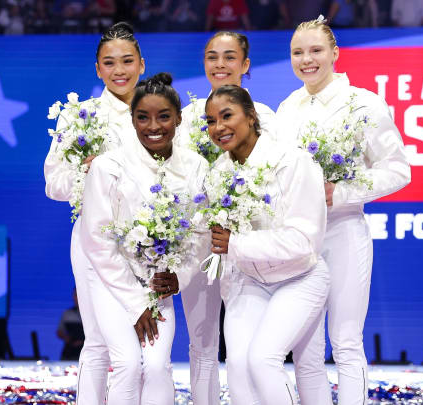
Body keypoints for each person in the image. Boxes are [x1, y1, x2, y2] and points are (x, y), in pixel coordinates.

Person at [276, 18, 411, 405]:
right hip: (300, 239)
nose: (307, 60)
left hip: (344, 230)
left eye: (316, 50)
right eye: (298, 52)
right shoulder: (288, 108)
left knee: (346, 340)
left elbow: (398, 169)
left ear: (335, 53)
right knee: (305, 346)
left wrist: (342, 191)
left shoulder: (363, 103)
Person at [79, 72, 209, 405]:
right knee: (126, 363)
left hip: (157, 285)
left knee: (155, 366)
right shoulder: (108, 166)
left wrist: (180, 276)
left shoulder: (195, 165)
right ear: (132, 119)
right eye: (143, 117)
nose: (154, 126)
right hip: (110, 282)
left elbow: (201, 231)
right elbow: (96, 239)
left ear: (179, 118)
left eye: (164, 116)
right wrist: (136, 304)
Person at [205, 85, 331, 405]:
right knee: (238, 368)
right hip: (249, 280)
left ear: (251, 116)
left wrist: (237, 243)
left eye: (227, 116)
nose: (218, 127)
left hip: (300, 277)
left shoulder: (294, 162)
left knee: (262, 359)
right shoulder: (218, 174)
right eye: (210, 120)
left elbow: (304, 242)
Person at [173, 30, 278, 405]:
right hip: (199, 243)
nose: (220, 64)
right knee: (202, 343)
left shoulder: (265, 117)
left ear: (245, 65)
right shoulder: (186, 118)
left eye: (230, 57)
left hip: (245, 246)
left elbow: (273, 181)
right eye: (212, 56)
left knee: (245, 346)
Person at [43, 21, 145, 405]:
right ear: (97, 69)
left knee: (144, 351)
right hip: (92, 241)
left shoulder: (156, 113)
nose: (119, 70)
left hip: (149, 244)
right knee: (99, 343)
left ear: (141, 64)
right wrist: (86, 172)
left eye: (127, 60)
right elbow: (53, 184)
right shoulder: (79, 116)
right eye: (109, 62)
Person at [57, 288, 85, 360]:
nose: (77, 298)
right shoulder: (67, 314)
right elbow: (59, 331)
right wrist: (67, 338)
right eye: (75, 295)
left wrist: (83, 341)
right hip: (70, 351)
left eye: (80, 295)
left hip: (88, 351)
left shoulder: (93, 314)